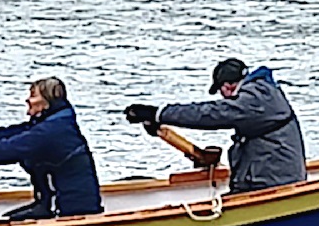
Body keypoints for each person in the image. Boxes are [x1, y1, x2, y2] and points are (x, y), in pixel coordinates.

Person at [124, 58, 305, 194]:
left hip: (274, 182)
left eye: (220, 92)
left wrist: (159, 113)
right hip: (272, 176)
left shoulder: (254, 100)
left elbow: (210, 114)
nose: (223, 97)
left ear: (227, 86)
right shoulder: (263, 92)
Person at [0, 77, 102, 221]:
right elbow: (8, 134)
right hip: (51, 204)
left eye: (33, 95)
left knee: (9, 221)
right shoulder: (48, 123)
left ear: (46, 101)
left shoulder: (52, 131)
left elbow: (8, 148)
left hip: (70, 210)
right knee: (8, 219)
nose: (27, 100)